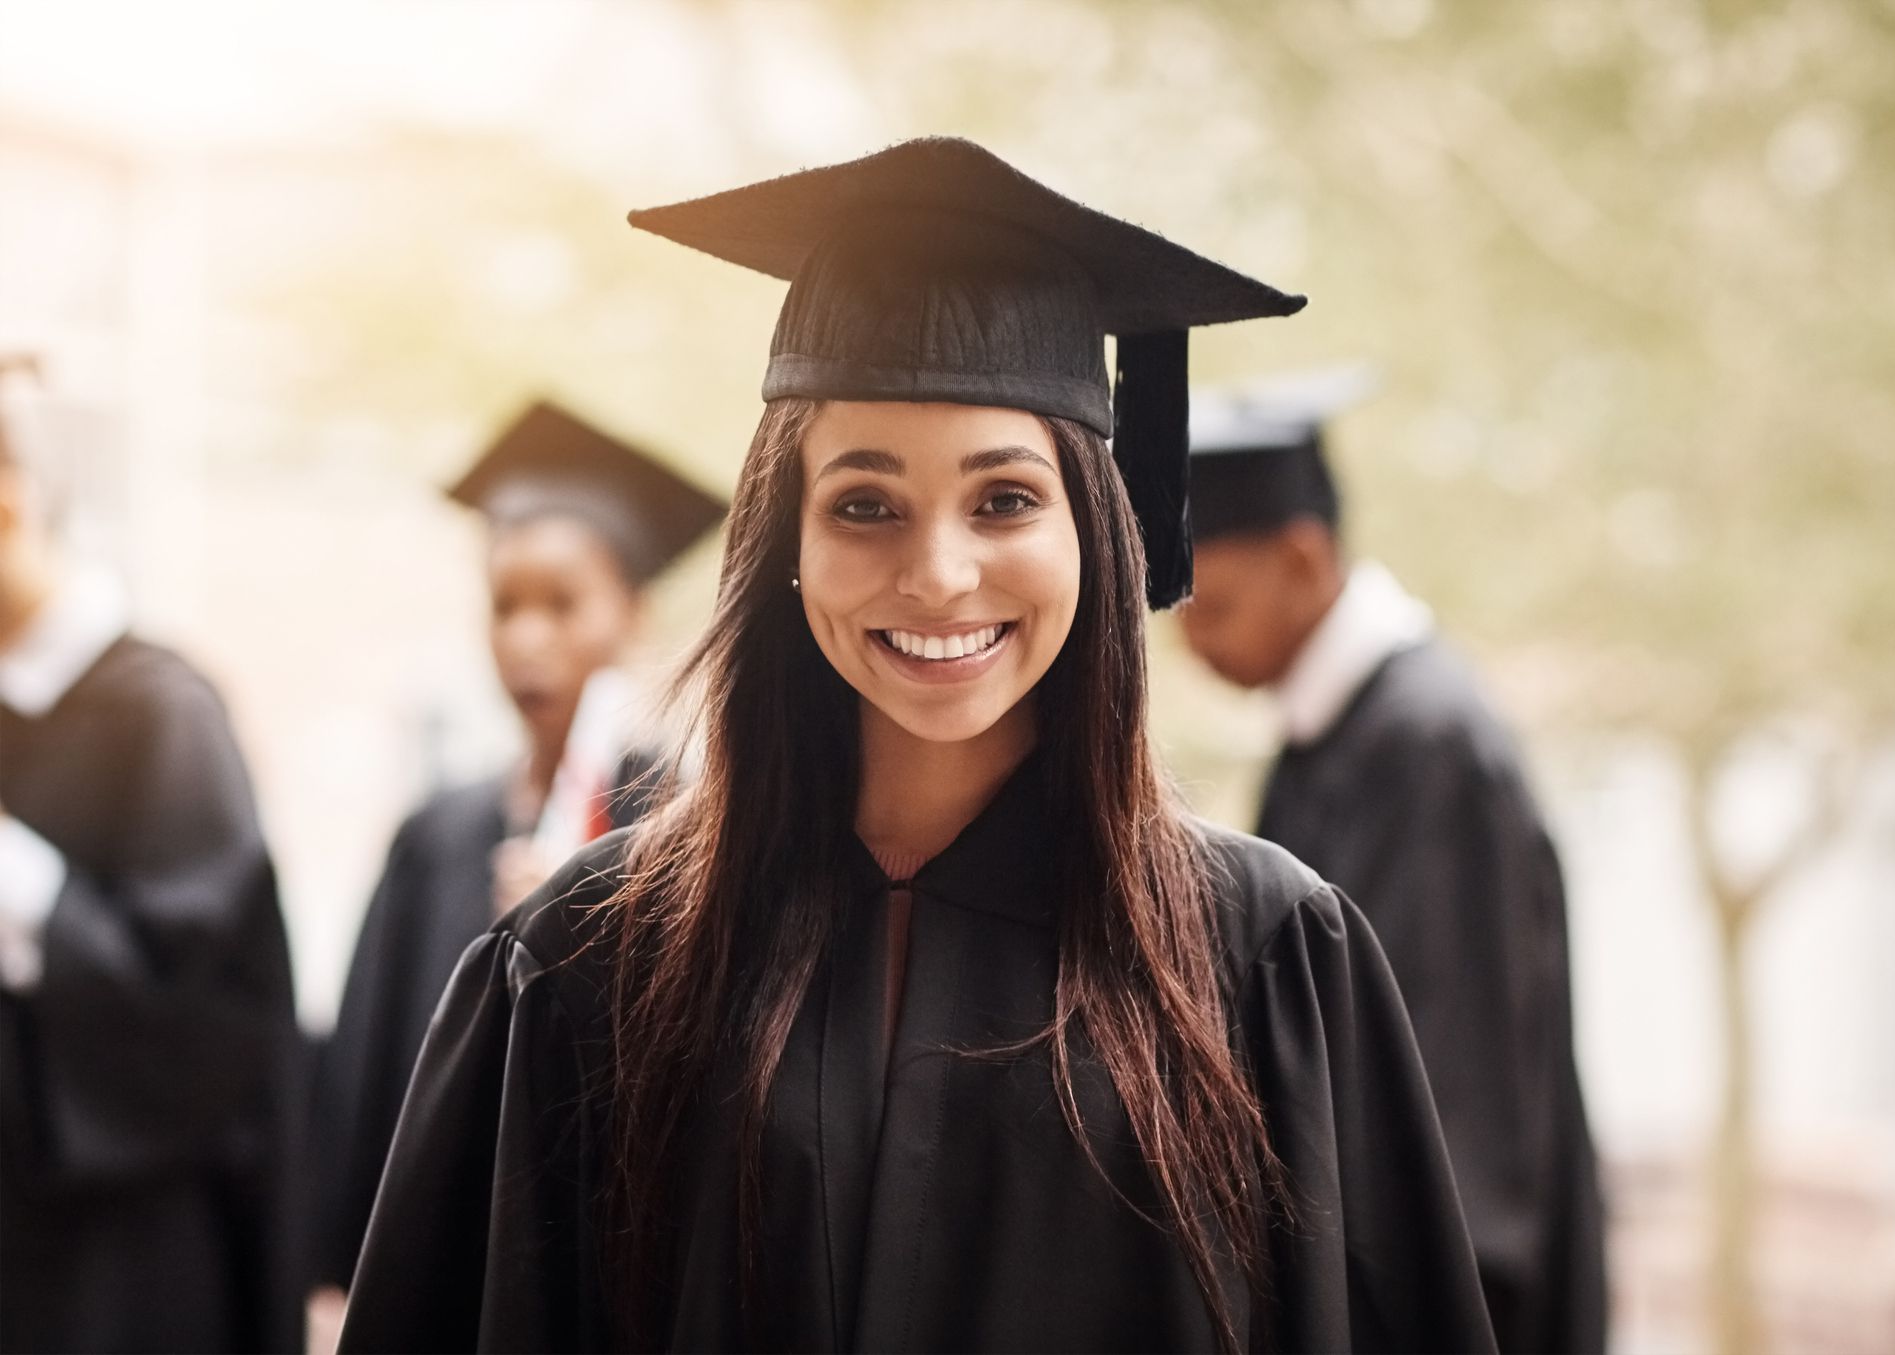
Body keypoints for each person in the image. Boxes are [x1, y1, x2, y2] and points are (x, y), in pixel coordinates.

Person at [339, 137, 1493, 1353]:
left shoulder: (1259, 957)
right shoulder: (587, 960)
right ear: (786, 538)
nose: (938, 574)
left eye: (1004, 498)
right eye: (864, 504)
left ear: (1095, 532)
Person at [1178, 373, 1609, 1355]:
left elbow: (1457, 1095)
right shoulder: (1338, 731)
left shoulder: (1425, 749)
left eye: (1213, 604)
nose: (1189, 640)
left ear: (1300, 555)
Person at [308, 400, 723, 1302]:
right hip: (440, 1257)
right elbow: (371, 1067)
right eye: (505, 606)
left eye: (563, 604)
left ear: (632, 614)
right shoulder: (438, 833)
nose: (527, 638)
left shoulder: (684, 829)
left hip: (596, 1266)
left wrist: (583, 924)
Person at [0, 366, 302, 1351]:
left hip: (119, 1253)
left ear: (12, 500)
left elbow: (205, 1013)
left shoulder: (162, 712)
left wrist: (23, 891)